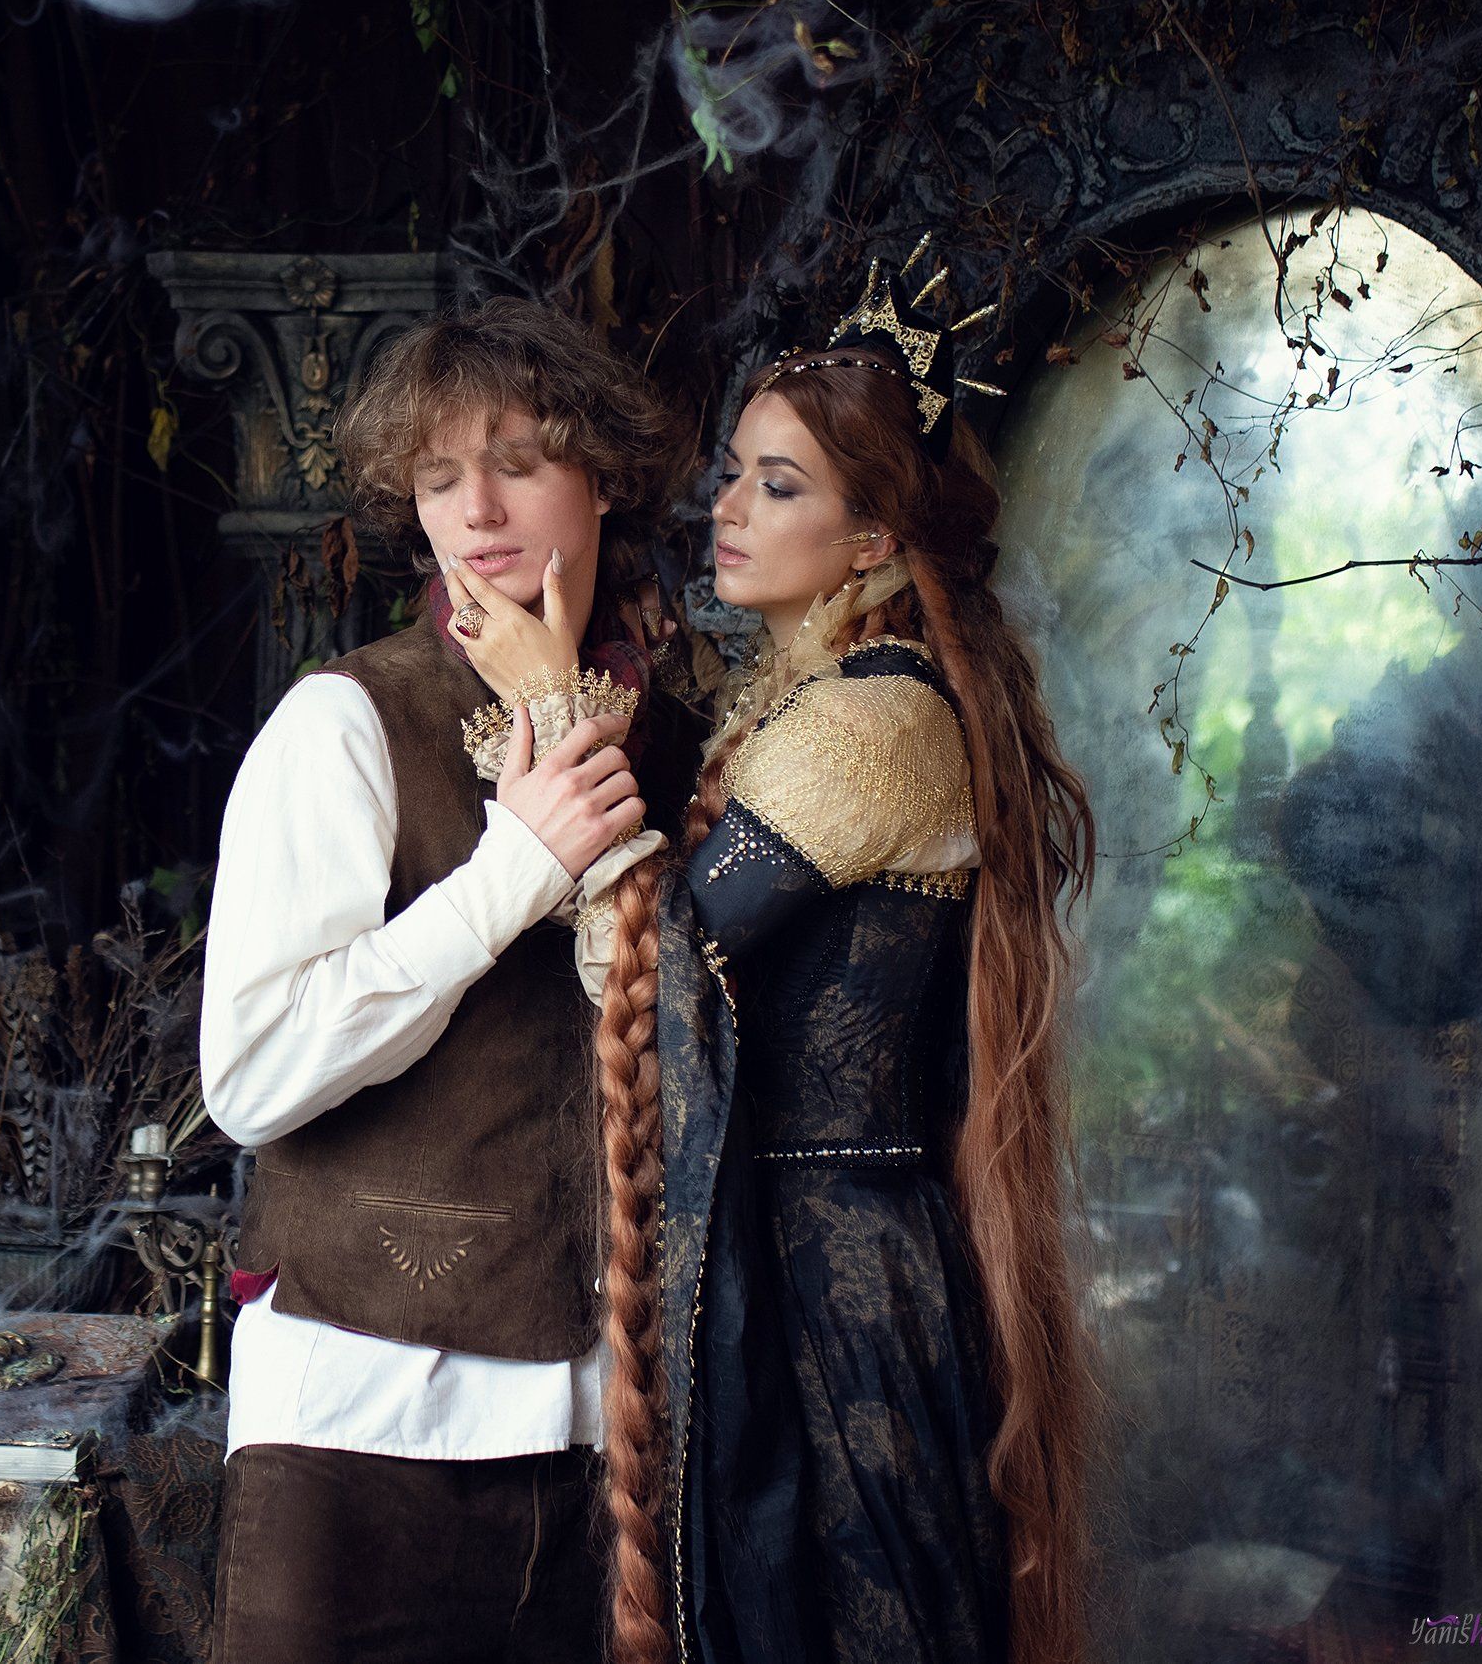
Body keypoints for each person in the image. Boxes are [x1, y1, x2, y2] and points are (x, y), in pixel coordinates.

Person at [461, 254, 1098, 1664]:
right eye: (736, 475)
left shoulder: (876, 719)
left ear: (872, 538)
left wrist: (548, 700)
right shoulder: (802, 701)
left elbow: (660, 959)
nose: (731, 509)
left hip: (836, 1275)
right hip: (787, 1248)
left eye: (780, 485)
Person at [198, 298, 704, 1664]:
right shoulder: (342, 722)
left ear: (604, 475)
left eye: (518, 463)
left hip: (610, 1445)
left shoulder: (682, 737)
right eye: (436, 478)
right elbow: (249, 1077)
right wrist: (506, 877)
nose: (475, 511)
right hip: (358, 1420)